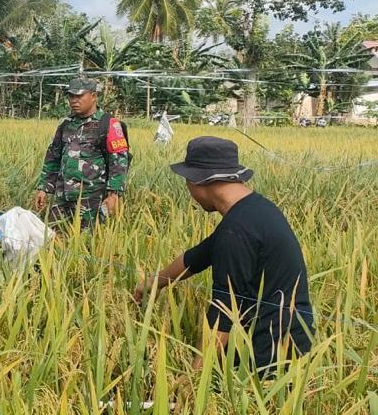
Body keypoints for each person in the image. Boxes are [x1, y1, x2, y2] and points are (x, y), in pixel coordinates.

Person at [133, 137, 313, 374]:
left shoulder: (237, 230)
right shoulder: (254, 209)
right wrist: (155, 282)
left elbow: (225, 311)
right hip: (290, 336)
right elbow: (198, 257)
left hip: (270, 353)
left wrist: (195, 377)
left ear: (196, 180)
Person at [33, 76, 129, 229]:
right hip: (63, 197)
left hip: (91, 200)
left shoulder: (108, 124)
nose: (74, 100)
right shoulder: (66, 124)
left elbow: (119, 162)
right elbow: (53, 157)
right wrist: (44, 188)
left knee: (86, 242)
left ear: (93, 96)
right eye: (71, 96)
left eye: (79, 95)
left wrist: (114, 194)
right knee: (52, 239)